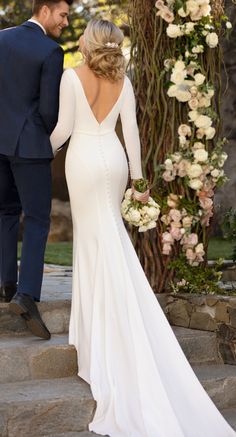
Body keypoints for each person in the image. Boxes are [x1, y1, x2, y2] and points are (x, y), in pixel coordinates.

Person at [50, 19, 236, 437]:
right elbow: (130, 132)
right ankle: (110, 318)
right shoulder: (124, 82)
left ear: (90, 41)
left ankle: (95, 331)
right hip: (114, 161)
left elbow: (62, 131)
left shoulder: (71, 76)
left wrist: (33, 152)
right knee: (111, 236)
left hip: (81, 159)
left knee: (93, 243)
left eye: (83, 35)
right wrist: (137, 180)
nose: (78, 38)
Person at [0, 0, 73, 340]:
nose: (66, 22)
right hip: (29, 145)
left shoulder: (1, 39)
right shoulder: (50, 51)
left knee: (5, 212)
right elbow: (48, 110)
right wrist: (45, 137)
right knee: (39, 218)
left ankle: (5, 283)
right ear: (44, 10)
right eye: (63, 14)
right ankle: (26, 295)